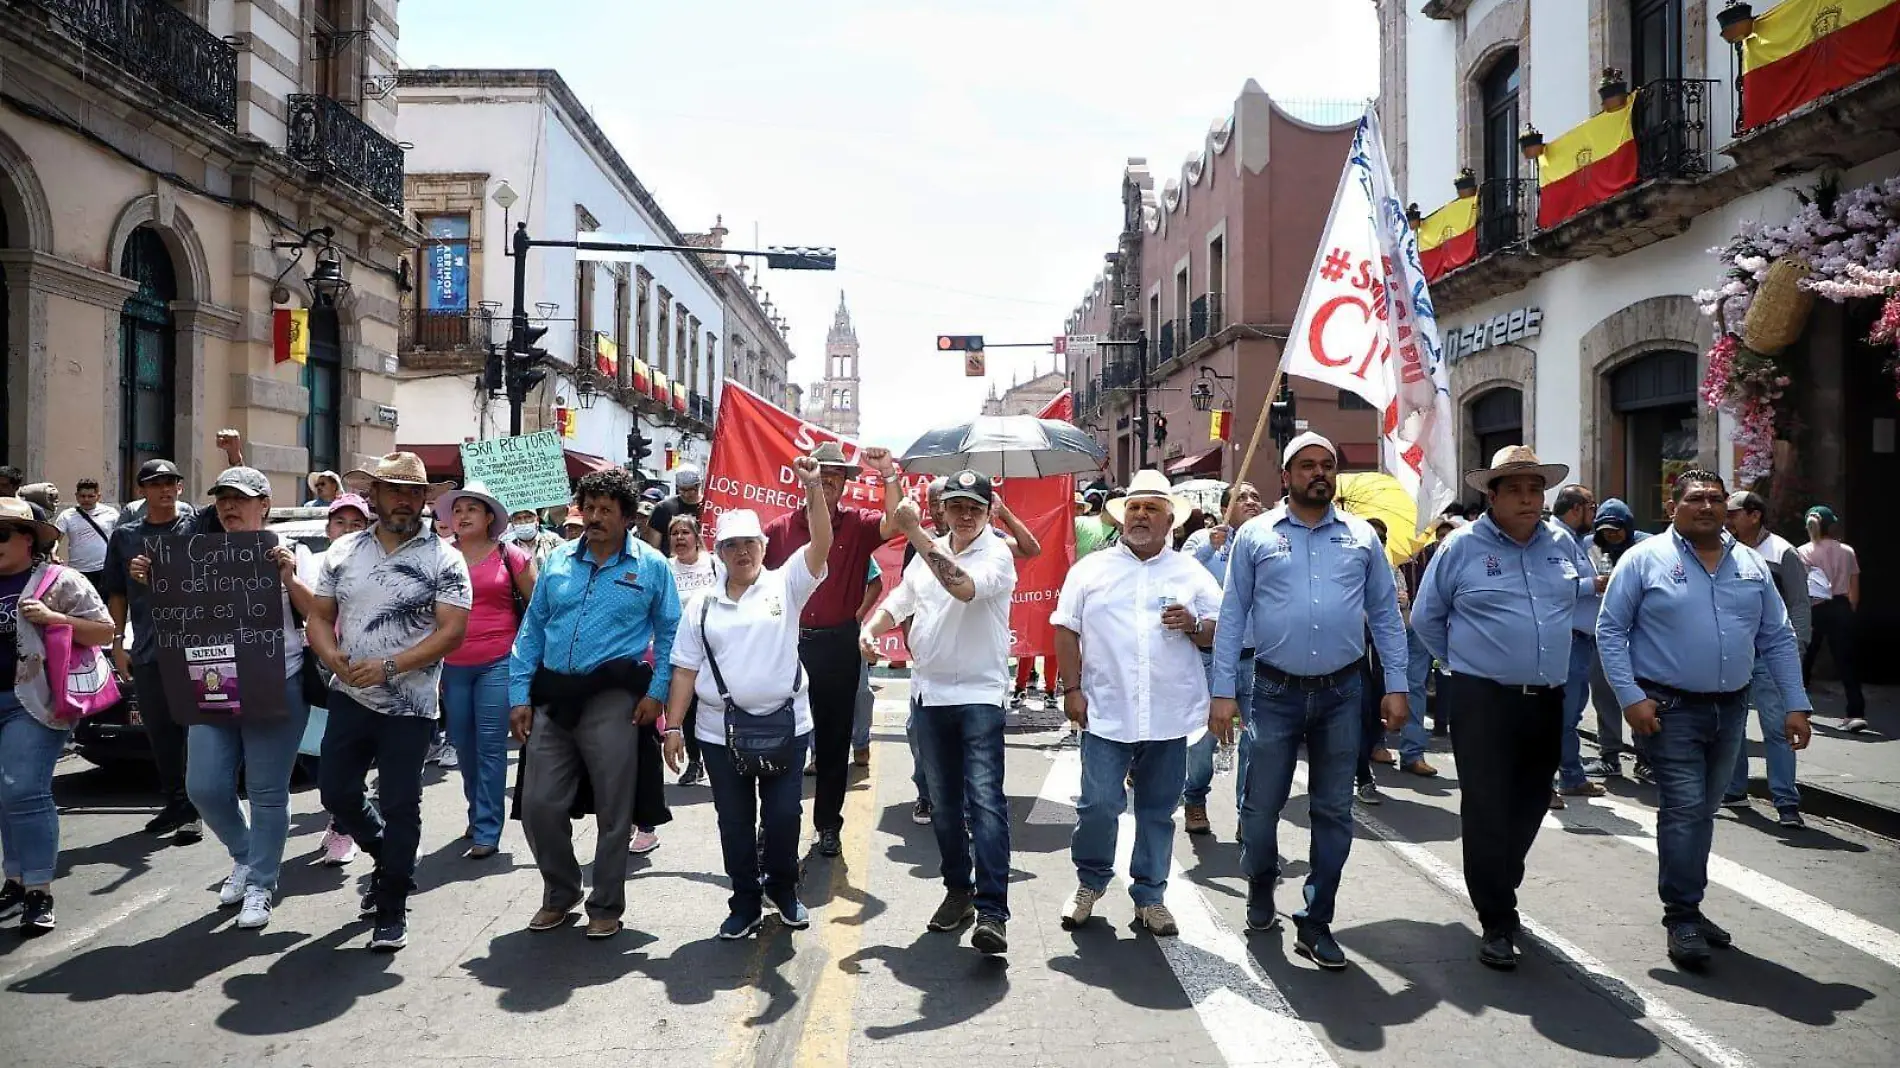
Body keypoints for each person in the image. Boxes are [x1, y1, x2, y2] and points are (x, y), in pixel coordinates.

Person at [1596, 469, 1812, 970]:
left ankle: (1689, 903)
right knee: (1686, 808)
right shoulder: (1644, 559)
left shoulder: (1752, 565)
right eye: (1695, 499)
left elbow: (1777, 638)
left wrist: (1797, 703)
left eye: (1716, 499)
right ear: (1673, 507)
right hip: (1667, 710)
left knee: (1705, 809)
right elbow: (1611, 630)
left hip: (1731, 708)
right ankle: (1682, 916)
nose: (1708, 507)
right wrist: (1630, 697)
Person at [1209, 432, 1407, 971]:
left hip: (1344, 692)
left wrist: (1397, 685)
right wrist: (1222, 691)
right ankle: (1261, 884)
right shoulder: (1254, 536)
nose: (1318, 473)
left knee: (1332, 809)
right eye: (1307, 466)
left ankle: (1316, 921)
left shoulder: (1363, 538)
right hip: (1272, 691)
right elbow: (1231, 617)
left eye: (1327, 465)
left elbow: (1386, 616)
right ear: (1287, 476)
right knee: (1262, 805)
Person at [1411, 446, 1583, 971]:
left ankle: (1499, 876)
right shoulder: (1461, 547)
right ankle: (1496, 918)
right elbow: (1426, 617)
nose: (1532, 499)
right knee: (1486, 805)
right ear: (1493, 495)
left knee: (1532, 800)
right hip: (1481, 697)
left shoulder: (1562, 543)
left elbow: (1579, 604)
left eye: (1537, 489)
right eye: (1518, 490)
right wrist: (1463, 664)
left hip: (1548, 697)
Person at [306, 453, 472, 952]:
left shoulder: (445, 557)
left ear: (426, 499)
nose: (405, 499)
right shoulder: (342, 552)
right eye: (394, 490)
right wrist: (331, 655)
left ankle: (392, 904)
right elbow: (318, 616)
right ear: (373, 496)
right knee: (335, 793)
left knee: (402, 803)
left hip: (411, 705)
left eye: (414, 491)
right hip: (349, 695)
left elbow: (453, 632)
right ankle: (386, 855)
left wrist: (392, 666)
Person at [510, 467, 679, 941]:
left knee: (614, 809)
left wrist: (656, 692)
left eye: (608, 510)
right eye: (590, 507)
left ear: (627, 517)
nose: (596, 517)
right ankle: (561, 893)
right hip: (554, 697)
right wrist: (519, 694)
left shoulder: (651, 567)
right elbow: (532, 629)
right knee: (539, 804)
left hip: (614, 698)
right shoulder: (559, 562)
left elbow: (670, 635)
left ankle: (605, 904)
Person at [665, 459, 830, 939]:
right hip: (719, 735)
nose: (742, 553)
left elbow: (821, 542)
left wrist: (814, 487)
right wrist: (673, 726)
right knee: (734, 823)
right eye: (731, 545)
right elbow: (684, 667)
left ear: (764, 547)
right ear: (718, 552)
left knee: (783, 818)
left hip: (785, 727)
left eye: (750, 544)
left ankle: (783, 890)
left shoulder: (787, 583)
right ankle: (744, 902)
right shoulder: (701, 605)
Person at [1052, 472, 1220, 937]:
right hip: (1107, 710)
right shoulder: (1091, 570)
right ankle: (1090, 882)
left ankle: (1150, 896)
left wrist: (1192, 623)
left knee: (1156, 811)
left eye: (1151, 508)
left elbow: (1221, 630)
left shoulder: (1189, 573)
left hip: (1168, 714)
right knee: (1099, 805)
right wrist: (1071, 689)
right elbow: (1065, 628)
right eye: (1133, 508)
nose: (1140, 515)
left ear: (1170, 520)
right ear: (1122, 516)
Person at [862, 470, 1017, 955]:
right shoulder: (928, 551)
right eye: (957, 506)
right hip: (928, 694)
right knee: (946, 806)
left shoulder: (997, 552)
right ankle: (958, 892)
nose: (966, 515)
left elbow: (964, 588)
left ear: (989, 512)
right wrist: (873, 627)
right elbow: (901, 600)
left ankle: (992, 911)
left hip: (978, 695)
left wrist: (913, 531)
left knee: (985, 803)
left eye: (975, 506)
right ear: (943, 510)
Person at [176, 468, 314, 931]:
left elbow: (320, 611)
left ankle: (261, 882)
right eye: (222, 499)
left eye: (241, 498)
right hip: (213, 683)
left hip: (277, 682)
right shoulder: (197, 555)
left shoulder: (294, 553)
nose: (230, 506)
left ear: (265, 506)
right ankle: (245, 855)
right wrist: (152, 576)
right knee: (204, 786)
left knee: (267, 791)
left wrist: (289, 576)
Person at [762, 441, 902, 858]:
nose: (827, 485)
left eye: (835, 478)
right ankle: (774, 826)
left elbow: (896, 522)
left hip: (838, 644)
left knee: (835, 739)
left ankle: (828, 826)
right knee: (781, 739)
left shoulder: (858, 524)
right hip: (788, 643)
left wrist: (888, 474)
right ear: (805, 480)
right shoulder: (777, 531)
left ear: (844, 485)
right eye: (820, 477)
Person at [0, 498, 116, 933]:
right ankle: (13, 880)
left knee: (24, 790)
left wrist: (53, 618)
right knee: (5, 792)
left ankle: (38, 891)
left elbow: (104, 631)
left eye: (2, 534)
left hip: (34, 702)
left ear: (28, 540)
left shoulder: (57, 580)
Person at [102, 459, 201, 840]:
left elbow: (240, 510)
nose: (165, 489)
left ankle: (194, 807)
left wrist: (234, 456)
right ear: (141, 490)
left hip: (196, 647)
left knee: (195, 728)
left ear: (180, 487)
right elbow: (117, 592)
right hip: (147, 647)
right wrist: (116, 644)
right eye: (156, 483)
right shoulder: (125, 536)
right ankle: (175, 802)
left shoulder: (197, 526)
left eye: (171, 482)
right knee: (160, 731)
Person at [439, 482, 535, 860]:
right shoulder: (440, 556)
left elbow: (539, 610)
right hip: (452, 664)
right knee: (463, 744)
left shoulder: (512, 556)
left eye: (471, 510)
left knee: (491, 747)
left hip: (499, 661)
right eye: (457, 509)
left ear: (489, 517)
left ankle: (487, 827)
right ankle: (477, 811)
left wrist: (527, 661)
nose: (461, 516)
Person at [1178, 482, 1265, 835]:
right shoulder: (1204, 541)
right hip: (1212, 659)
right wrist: (1206, 548)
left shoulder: (1269, 541)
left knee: (1256, 741)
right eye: (1242, 497)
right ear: (1226, 506)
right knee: (1204, 740)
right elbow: (1175, 576)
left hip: (1257, 658)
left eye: (1255, 497)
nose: (1250, 501)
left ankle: (1249, 813)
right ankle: (1195, 798)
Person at [1723, 492, 1813, 826]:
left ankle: (1786, 801)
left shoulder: (1781, 551)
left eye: (1733, 514)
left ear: (1754, 515)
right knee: (1732, 728)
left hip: (1770, 656)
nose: (1726, 520)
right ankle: (1734, 790)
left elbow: (1800, 603)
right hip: (1735, 655)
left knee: (1777, 729)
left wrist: (1798, 646)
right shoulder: (1726, 551)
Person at [305, 493, 372, 867]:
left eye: (356, 524)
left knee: (350, 756)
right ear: (328, 528)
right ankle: (344, 813)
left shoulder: (378, 565)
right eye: (340, 523)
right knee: (317, 756)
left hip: (360, 673)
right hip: (316, 671)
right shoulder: (310, 563)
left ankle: (346, 826)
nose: (347, 530)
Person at [1550, 484, 1610, 810]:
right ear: (1576, 508)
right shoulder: (1556, 539)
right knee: (1558, 716)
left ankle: (1571, 776)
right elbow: (1556, 587)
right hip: (1567, 639)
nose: (1595, 513)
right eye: (1592, 506)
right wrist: (1595, 584)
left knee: (1569, 714)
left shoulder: (1578, 541)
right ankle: (1545, 782)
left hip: (1581, 640)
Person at [1582, 498, 1651, 777]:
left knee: (1639, 694)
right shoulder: (1593, 546)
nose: (1611, 536)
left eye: (1617, 530)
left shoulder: (1647, 547)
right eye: (1605, 531)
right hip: (1606, 632)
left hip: (1641, 634)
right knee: (1603, 693)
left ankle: (1646, 758)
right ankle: (1609, 755)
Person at [1798, 505, 1864, 733]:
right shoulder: (1847, 551)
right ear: (1831, 525)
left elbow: (1800, 588)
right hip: (1841, 606)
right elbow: (1854, 590)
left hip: (1814, 608)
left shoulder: (1802, 552)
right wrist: (1849, 608)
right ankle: (1855, 713)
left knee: (1805, 658)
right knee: (1847, 660)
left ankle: (1800, 708)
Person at [667, 514, 718, 786]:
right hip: (681, 652)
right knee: (686, 708)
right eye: (675, 533)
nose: (680, 538)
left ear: (697, 537)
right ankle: (695, 762)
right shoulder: (665, 568)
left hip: (715, 649)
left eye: (685, 532)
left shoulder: (714, 564)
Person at [54, 479, 118, 593]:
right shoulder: (67, 516)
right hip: (78, 571)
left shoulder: (111, 513)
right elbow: (56, 539)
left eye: (90, 496)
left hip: (104, 570)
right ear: (76, 496)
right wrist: (53, 554)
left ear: (98, 497)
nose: (86, 500)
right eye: (83, 496)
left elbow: (120, 539)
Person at [645, 467, 705, 555]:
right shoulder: (663, 508)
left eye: (691, 489)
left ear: (699, 485)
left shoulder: (710, 508)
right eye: (682, 490)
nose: (686, 494)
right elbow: (653, 549)